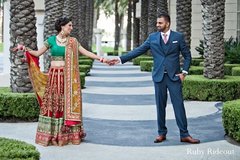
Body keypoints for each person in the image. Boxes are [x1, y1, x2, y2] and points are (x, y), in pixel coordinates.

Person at [15, 17, 109, 146]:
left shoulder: (73, 41)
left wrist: (102, 59)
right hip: (54, 76)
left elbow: (85, 52)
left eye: (71, 25)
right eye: (69, 25)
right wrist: (24, 48)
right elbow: (37, 54)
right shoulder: (51, 41)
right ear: (62, 26)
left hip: (67, 77)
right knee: (53, 104)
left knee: (66, 104)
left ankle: (68, 135)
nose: (71, 28)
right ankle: (52, 134)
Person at [109, 13, 200, 144]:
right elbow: (138, 50)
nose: (157, 25)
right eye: (157, 23)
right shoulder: (152, 38)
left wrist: (184, 72)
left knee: (179, 106)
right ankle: (161, 133)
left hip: (174, 77)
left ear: (167, 23)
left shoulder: (178, 37)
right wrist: (119, 59)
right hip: (159, 78)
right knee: (160, 106)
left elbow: (187, 56)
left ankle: (184, 134)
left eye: (160, 23)